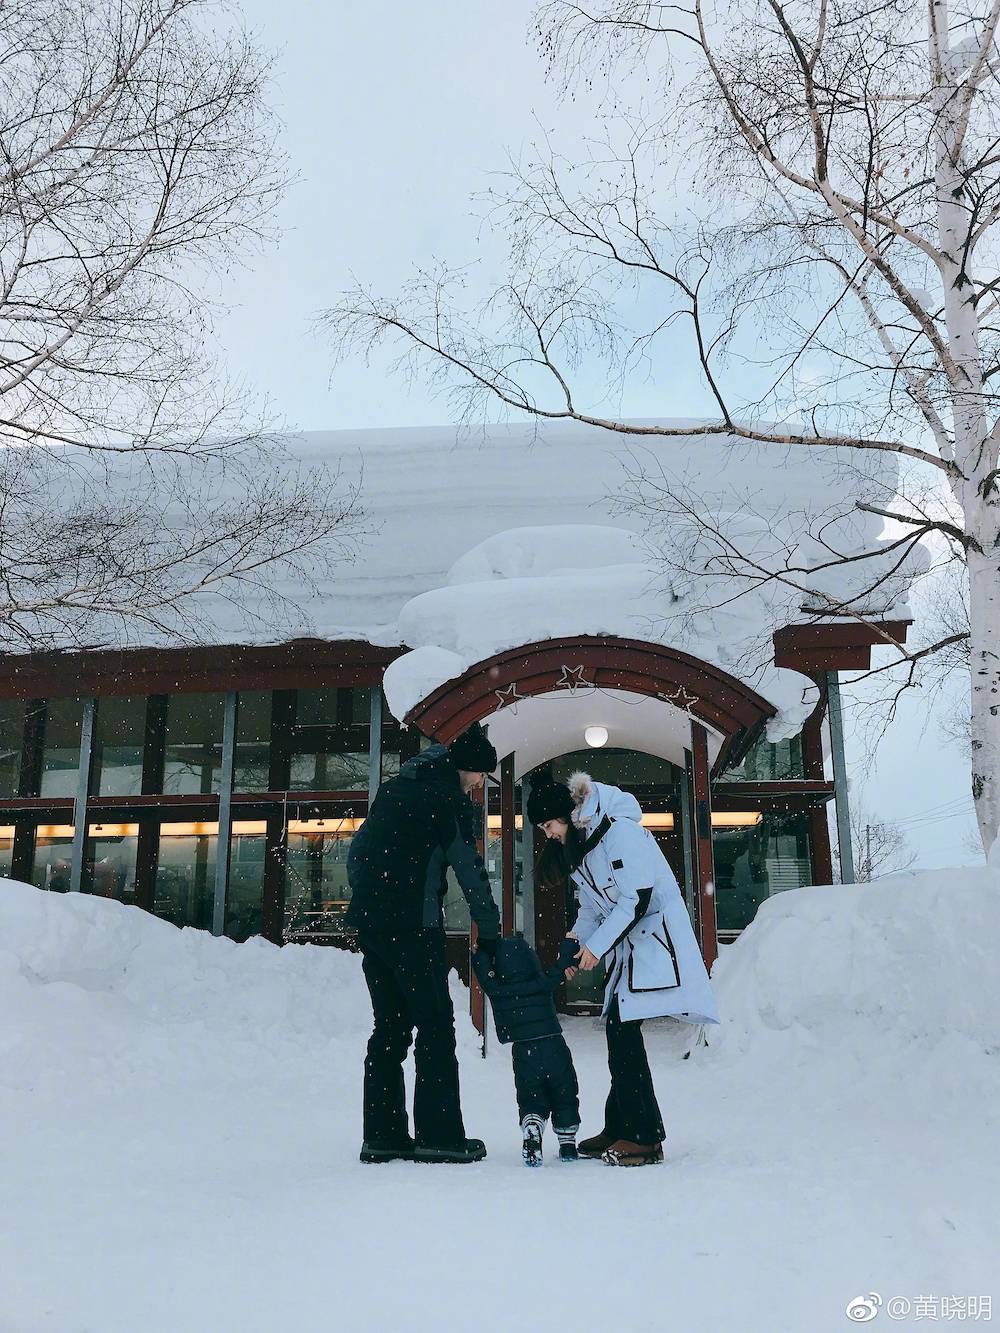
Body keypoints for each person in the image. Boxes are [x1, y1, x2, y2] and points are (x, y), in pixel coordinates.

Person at [528, 770, 719, 1167]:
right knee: (619, 1034)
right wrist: (573, 942)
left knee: (623, 1034)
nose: (547, 834)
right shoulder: (584, 849)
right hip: (628, 949)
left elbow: (636, 899)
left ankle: (645, 1138)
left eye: (548, 825)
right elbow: (592, 909)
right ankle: (621, 1127)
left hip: (653, 944)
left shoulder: (622, 834)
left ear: (566, 815)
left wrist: (595, 949)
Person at [345, 721, 501, 1165]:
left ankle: (383, 1135)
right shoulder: (447, 801)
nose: (477, 785)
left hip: (373, 926)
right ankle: (440, 1137)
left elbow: (359, 852)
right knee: (435, 1026)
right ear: (468, 768)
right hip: (415, 926)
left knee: (389, 1028)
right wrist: (487, 930)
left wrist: (370, 901)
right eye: (478, 776)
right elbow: (469, 870)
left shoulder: (393, 791)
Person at [471, 934, 582, 1166]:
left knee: (531, 1097)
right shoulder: (542, 982)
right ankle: (568, 1143)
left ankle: (532, 1125)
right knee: (565, 1092)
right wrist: (569, 942)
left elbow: (484, 976)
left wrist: (480, 953)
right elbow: (563, 966)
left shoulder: (499, 990)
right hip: (554, 1046)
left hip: (524, 1052)